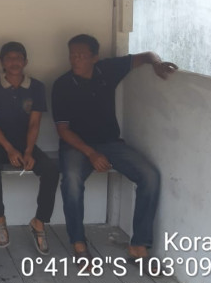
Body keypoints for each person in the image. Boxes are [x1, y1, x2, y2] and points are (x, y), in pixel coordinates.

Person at [51, 34, 177, 264]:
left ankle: (139, 246)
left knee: (150, 176)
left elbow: (146, 56)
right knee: (71, 181)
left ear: (94, 58)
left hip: (110, 143)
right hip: (76, 146)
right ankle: (78, 244)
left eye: (81, 55)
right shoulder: (62, 85)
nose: (75, 59)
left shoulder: (107, 69)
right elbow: (63, 130)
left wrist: (157, 63)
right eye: (72, 55)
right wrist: (91, 153)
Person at [0, 42, 59, 254]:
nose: (14, 62)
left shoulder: (36, 87)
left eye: (18, 58)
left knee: (51, 170)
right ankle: (0, 220)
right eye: (9, 58)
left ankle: (39, 222)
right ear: (2, 62)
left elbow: (34, 123)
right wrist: (9, 149)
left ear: (25, 62)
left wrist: (28, 151)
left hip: (24, 143)